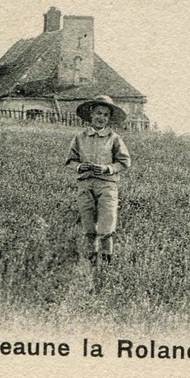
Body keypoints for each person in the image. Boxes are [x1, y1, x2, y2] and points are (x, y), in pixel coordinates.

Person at [64, 95, 132, 266]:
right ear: (91, 114)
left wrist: (107, 168)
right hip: (85, 185)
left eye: (106, 115)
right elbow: (70, 161)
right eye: (98, 113)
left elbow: (124, 162)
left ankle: (107, 262)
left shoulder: (114, 138)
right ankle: (91, 263)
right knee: (89, 226)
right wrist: (80, 167)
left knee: (106, 226)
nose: (102, 118)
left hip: (107, 186)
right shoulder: (80, 137)